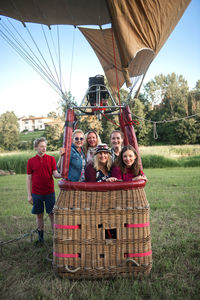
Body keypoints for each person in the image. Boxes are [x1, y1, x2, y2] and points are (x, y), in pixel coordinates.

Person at [26, 137, 62, 245]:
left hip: (49, 192)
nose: (44, 148)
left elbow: (55, 174)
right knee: (39, 215)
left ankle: (55, 238)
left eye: (45, 146)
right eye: (41, 146)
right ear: (36, 148)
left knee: (52, 214)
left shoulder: (51, 159)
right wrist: (29, 195)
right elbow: (28, 178)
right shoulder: (31, 161)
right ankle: (40, 239)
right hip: (36, 193)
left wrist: (62, 174)